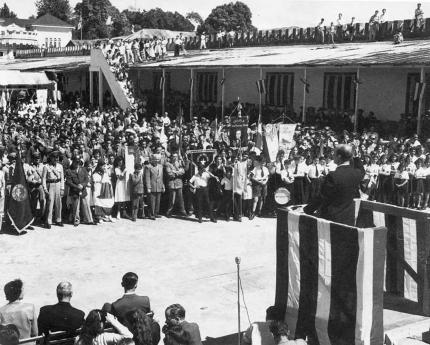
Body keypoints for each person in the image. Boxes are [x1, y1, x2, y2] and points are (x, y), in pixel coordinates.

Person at [304, 144, 364, 226]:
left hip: (332, 219)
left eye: (334, 154)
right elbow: (361, 169)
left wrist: (307, 209)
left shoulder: (333, 176)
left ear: (339, 156)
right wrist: (354, 156)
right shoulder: (356, 173)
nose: (332, 155)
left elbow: (322, 197)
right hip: (348, 218)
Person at [42, 151, 64, 229]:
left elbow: (62, 178)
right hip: (50, 184)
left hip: (58, 184)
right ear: (51, 158)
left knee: (59, 203)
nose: (56, 159)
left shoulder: (60, 166)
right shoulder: (46, 167)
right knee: (50, 203)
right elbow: (44, 178)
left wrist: (62, 188)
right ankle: (48, 221)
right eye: (54, 157)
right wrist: (45, 188)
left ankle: (58, 219)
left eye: (57, 157)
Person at [165, 153, 187, 218]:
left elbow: (183, 172)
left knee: (181, 198)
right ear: (171, 157)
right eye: (173, 156)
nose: (175, 158)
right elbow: (170, 174)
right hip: (172, 183)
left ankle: (182, 211)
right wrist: (178, 172)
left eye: (176, 157)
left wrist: (175, 171)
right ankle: (169, 211)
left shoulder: (179, 164)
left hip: (179, 183)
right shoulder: (168, 164)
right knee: (172, 199)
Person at [144, 154, 164, 220]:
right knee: (151, 201)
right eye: (156, 160)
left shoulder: (161, 166)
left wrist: (163, 186)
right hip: (152, 186)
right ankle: (151, 214)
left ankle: (156, 213)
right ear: (152, 160)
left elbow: (161, 177)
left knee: (158, 201)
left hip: (159, 186)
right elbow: (147, 178)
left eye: (158, 160)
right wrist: (148, 187)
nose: (157, 161)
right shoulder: (148, 167)